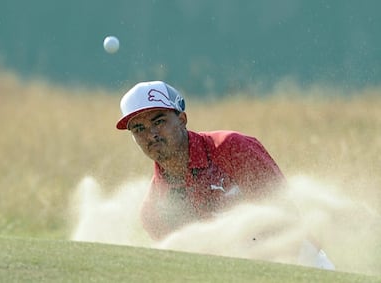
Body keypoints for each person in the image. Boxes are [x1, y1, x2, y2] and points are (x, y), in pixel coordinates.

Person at [116, 81, 335, 269]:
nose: (151, 134)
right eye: (139, 129)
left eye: (159, 121)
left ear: (182, 119)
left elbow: (287, 215)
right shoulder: (154, 211)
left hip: (299, 263)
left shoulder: (232, 148)